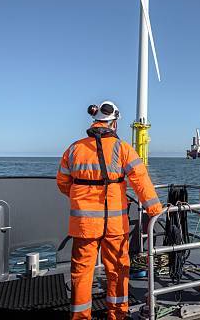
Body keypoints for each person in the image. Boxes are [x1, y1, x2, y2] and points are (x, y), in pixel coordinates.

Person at [56, 101, 163, 320]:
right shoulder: (123, 148)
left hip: (84, 225)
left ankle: (80, 317)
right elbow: (141, 182)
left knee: (82, 273)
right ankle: (117, 315)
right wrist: (155, 210)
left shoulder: (74, 149)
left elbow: (62, 183)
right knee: (117, 270)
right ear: (113, 124)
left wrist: (81, 199)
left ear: (95, 122)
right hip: (115, 225)